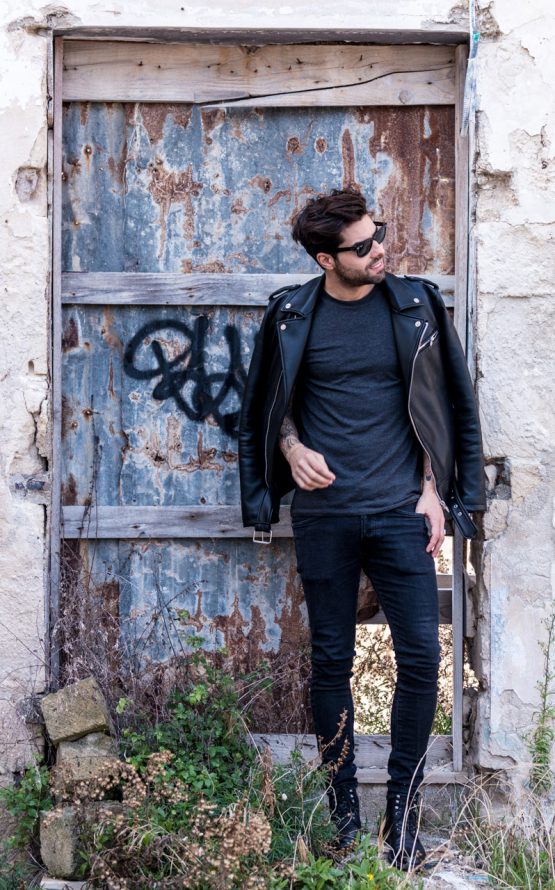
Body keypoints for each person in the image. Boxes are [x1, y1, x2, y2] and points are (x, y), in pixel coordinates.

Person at [238, 188, 486, 869]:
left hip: (403, 512)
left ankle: (401, 822)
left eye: (379, 234)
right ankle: (345, 821)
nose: (380, 250)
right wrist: (290, 447)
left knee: (422, 659)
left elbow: (453, 405)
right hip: (325, 515)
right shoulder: (291, 314)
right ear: (326, 258)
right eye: (363, 246)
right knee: (331, 663)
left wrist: (438, 492)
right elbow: (264, 409)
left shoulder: (416, 306)